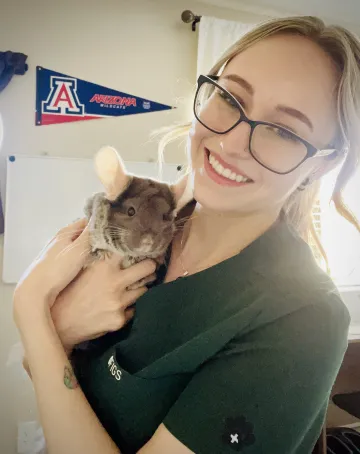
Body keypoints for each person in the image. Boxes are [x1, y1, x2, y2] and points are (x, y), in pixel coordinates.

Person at [15, 15, 360, 454]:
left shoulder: (303, 320)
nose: (232, 142)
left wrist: (31, 309)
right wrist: (56, 334)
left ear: (322, 165)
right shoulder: (139, 225)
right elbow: (38, 365)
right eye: (231, 97)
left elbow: (39, 352)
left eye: (282, 130)